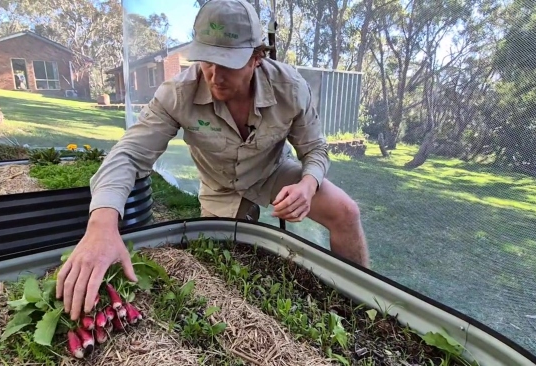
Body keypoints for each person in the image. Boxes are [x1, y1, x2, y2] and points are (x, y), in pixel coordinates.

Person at [56, 0, 369, 321]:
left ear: (256, 57)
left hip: (273, 173)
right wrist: (101, 225)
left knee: (346, 212)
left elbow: (315, 148)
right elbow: (129, 153)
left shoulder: (290, 87)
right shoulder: (177, 94)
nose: (214, 75)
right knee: (224, 273)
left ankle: (361, 305)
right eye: (207, 59)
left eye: (228, 63)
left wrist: (307, 183)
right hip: (220, 185)